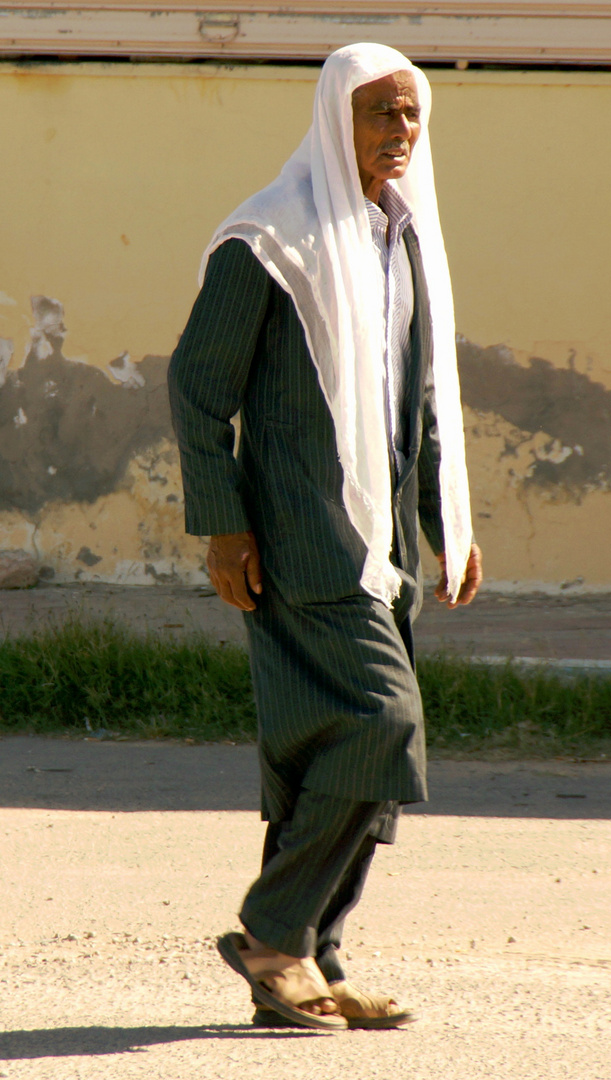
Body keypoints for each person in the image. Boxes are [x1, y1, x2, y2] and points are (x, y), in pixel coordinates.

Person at [168, 43, 484, 1030]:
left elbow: (419, 399)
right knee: (379, 727)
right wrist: (223, 529)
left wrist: (448, 523)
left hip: (382, 537)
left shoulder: (405, 238)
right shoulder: (267, 241)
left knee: (327, 761)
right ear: (333, 119)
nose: (398, 134)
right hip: (303, 533)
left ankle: (312, 959)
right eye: (379, 114)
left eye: (410, 116)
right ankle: (274, 931)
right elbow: (196, 387)